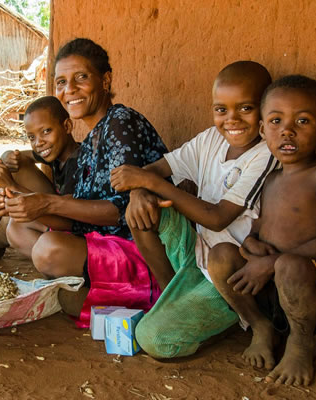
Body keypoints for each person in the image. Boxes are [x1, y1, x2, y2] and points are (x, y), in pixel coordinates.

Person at [0, 38, 170, 326]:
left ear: (105, 80)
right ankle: (89, 296)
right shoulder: (88, 144)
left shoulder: (120, 121)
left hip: (146, 252)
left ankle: (138, 295)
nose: (69, 90)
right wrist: (24, 205)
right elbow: (82, 221)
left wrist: (47, 202)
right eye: (61, 82)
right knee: (25, 231)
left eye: (81, 78)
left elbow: (121, 211)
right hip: (109, 243)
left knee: (49, 249)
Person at [110, 61, 276, 358]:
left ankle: (232, 318)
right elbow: (160, 168)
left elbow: (217, 218)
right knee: (141, 211)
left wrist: (149, 181)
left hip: (228, 275)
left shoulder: (265, 154)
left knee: (153, 339)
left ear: (266, 109)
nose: (232, 119)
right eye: (221, 109)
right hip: (195, 252)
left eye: (246, 108)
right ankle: (170, 292)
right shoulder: (211, 138)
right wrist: (138, 191)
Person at [207, 75, 316, 386]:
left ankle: (300, 344)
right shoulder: (269, 179)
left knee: (289, 265)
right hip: (267, 290)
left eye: (302, 121)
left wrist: (271, 262)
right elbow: (256, 231)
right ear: (262, 130)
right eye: (275, 120)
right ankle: (260, 326)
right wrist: (250, 250)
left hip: (312, 294)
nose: (287, 130)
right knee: (221, 255)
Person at [0, 96, 78, 260]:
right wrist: (7, 156)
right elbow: (16, 158)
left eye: (46, 131)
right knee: (16, 167)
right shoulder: (56, 151)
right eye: (32, 137)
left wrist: (11, 185)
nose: (39, 142)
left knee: (13, 217)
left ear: (67, 126)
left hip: (68, 226)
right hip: (55, 208)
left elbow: (71, 220)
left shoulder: (79, 164)